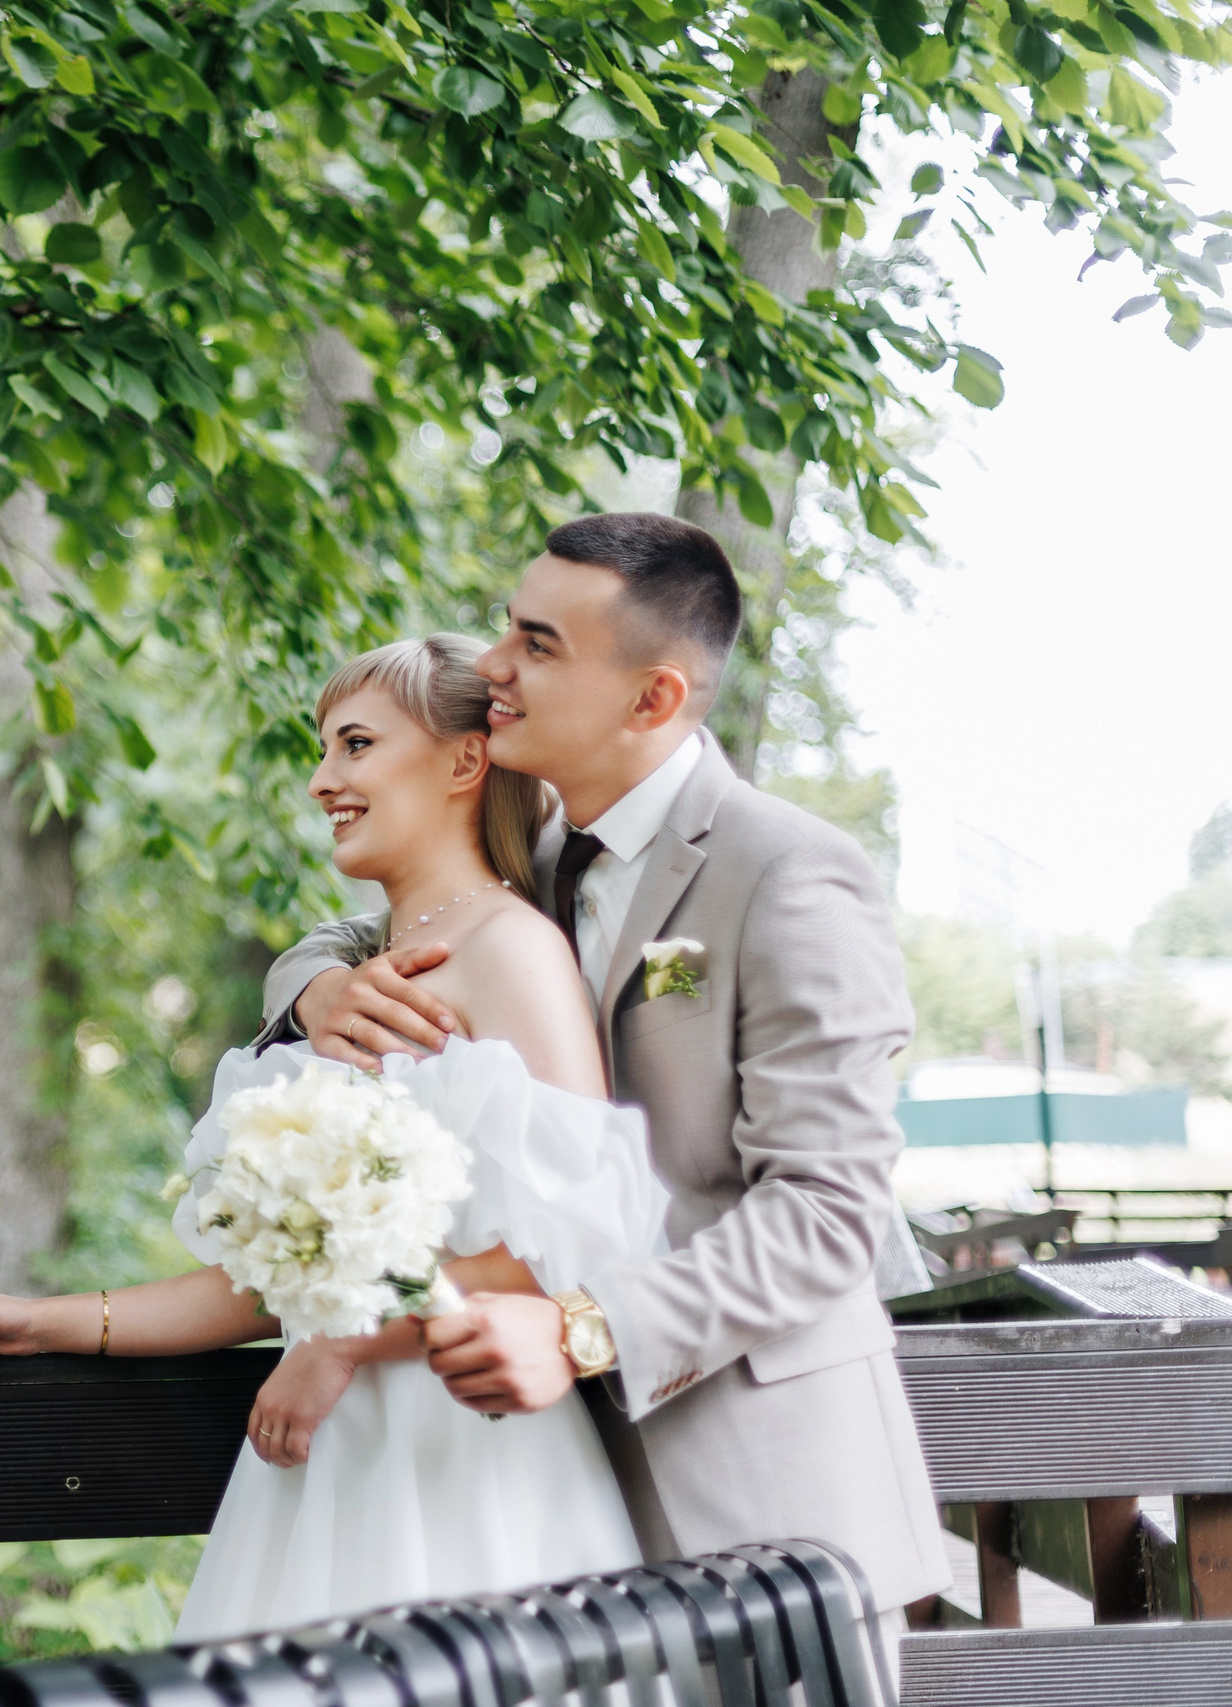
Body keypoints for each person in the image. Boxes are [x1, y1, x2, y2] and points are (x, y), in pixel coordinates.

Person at [0, 632, 673, 1640]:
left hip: (467, 1458)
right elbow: (275, 1291)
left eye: (353, 746)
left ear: (464, 762)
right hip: (321, 1467)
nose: (318, 781)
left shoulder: (515, 951)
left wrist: (341, 1344)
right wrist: (40, 1321)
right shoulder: (351, 984)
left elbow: (556, 1254)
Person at [260, 513, 949, 1638]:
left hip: (766, 1507)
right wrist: (311, 991)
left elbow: (827, 1219)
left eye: (536, 644)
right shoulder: (538, 860)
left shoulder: (789, 875)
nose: (491, 668)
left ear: (652, 700)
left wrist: (581, 1328)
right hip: (563, 1496)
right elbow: (370, 931)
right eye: (504, 631)